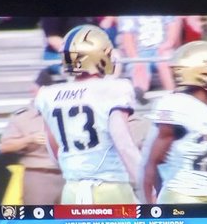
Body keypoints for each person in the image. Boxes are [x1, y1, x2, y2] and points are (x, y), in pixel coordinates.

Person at [34, 24, 142, 204]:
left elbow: (54, 150)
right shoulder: (113, 89)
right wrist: (146, 184)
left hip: (72, 192)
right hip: (111, 189)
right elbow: (124, 145)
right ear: (98, 56)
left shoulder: (48, 95)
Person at [142, 41, 207, 204]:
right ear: (202, 73)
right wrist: (150, 206)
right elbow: (152, 163)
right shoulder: (176, 105)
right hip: (178, 197)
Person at [0, 70, 66, 205]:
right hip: (38, 177)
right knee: (38, 223)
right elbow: (5, 147)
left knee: (70, 223)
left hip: (68, 176)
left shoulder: (69, 114)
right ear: (36, 91)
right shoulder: (23, 117)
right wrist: (29, 139)